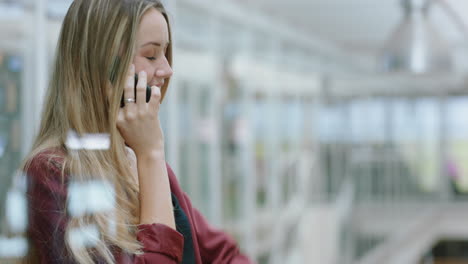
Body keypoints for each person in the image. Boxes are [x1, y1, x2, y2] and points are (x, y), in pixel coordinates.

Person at [21, 0, 252, 263]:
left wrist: (149, 159)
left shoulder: (140, 160)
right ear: (104, 67)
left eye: (166, 53)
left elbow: (224, 254)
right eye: (151, 55)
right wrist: (151, 155)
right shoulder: (52, 174)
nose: (167, 69)